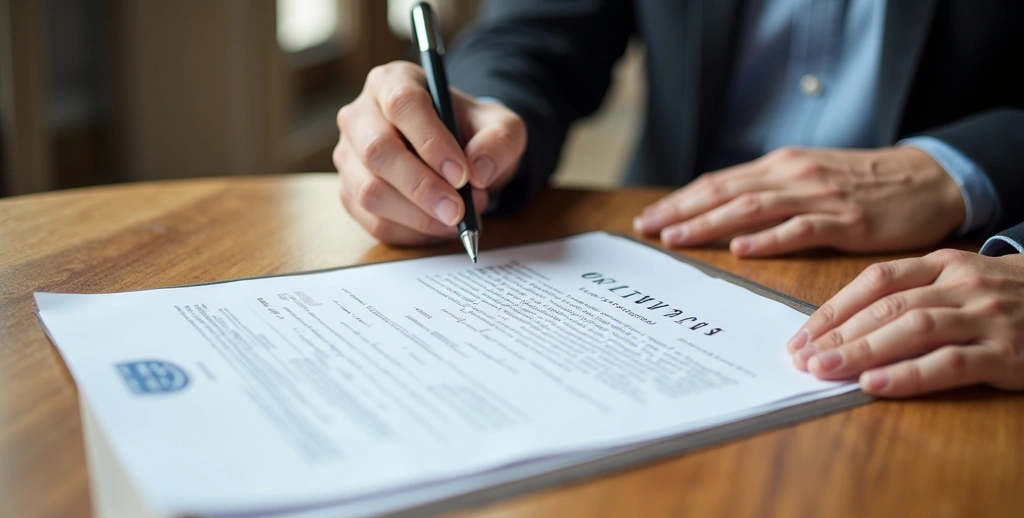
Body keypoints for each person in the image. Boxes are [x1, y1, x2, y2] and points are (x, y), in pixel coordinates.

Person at [332, 0, 1024, 396]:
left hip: (956, 266)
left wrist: (964, 167)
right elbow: (536, 33)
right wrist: (471, 129)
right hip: (665, 240)